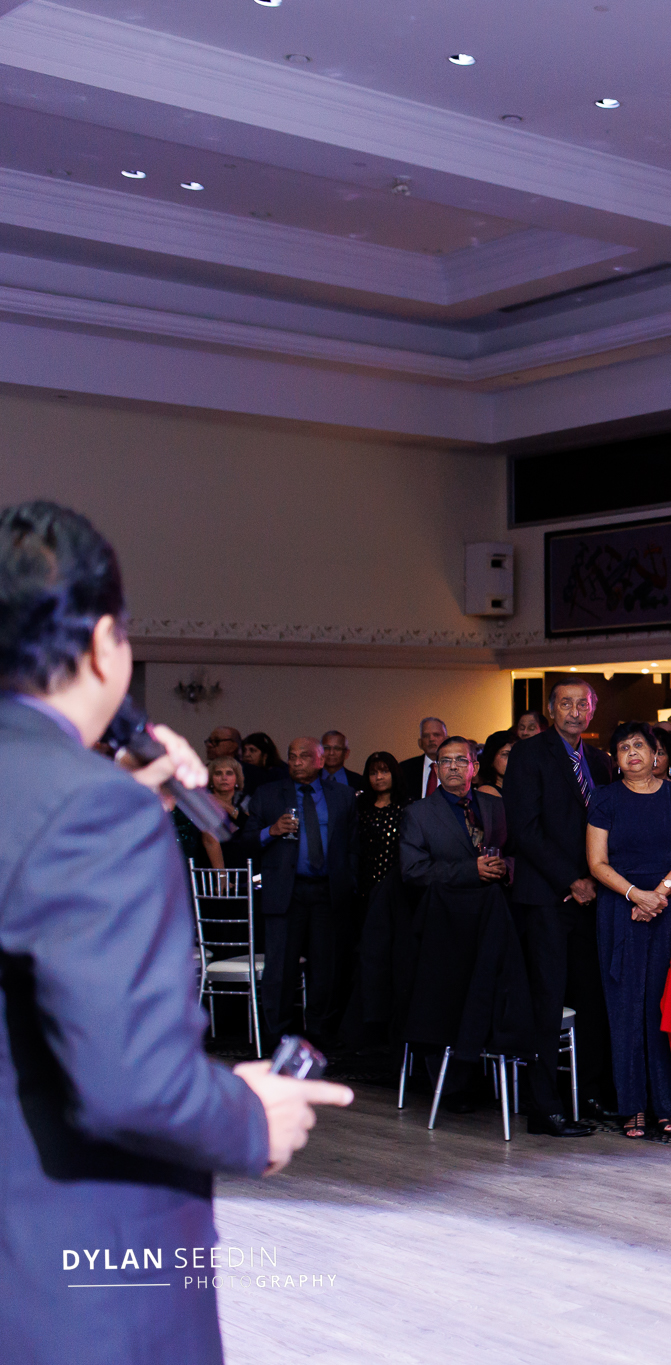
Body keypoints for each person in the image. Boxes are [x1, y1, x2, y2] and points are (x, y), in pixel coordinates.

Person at [0, 499, 350, 1365]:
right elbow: (129, 1082)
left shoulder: (76, 799)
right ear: (104, 643)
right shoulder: (91, 810)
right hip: (75, 1275)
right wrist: (250, 1116)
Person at [503, 679, 614, 1137]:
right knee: (547, 1002)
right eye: (565, 703)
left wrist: (597, 880)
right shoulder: (529, 754)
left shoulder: (600, 761)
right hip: (548, 896)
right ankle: (543, 1106)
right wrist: (571, 879)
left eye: (581, 704)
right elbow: (524, 829)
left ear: (592, 710)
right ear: (551, 710)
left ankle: (588, 1093)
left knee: (593, 999)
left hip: (595, 897)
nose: (574, 711)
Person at [586, 722, 671, 1140]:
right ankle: (631, 1105)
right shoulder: (605, 798)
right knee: (625, 1007)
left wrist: (659, 894)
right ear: (615, 759)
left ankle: (666, 1105)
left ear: (656, 754)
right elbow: (596, 862)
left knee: (664, 1005)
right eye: (623, 748)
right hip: (620, 908)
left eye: (639, 745)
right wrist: (636, 895)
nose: (632, 752)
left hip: (668, 907)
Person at [395, 734, 516, 1113]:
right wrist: (470, 870)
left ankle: (491, 1080)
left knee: (490, 997)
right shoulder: (419, 813)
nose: (452, 767)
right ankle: (449, 1087)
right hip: (444, 925)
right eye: (445, 761)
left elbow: (515, 852)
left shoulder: (494, 806)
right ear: (436, 768)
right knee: (445, 1004)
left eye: (460, 760)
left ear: (474, 767)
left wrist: (505, 868)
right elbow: (413, 870)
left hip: (492, 920)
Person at [248, 735, 360, 1047]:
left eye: (305, 756)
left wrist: (349, 880)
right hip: (286, 891)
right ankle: (277, 1036)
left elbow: (353, 844)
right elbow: (245, 840)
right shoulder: (268, 794)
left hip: (327, 892)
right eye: (292, 756)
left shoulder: (343, 796)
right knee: (280, 969)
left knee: (325, 968)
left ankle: (319, 1035)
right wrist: (271, 831)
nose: (297, 762)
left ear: (321, 760)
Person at [357, 749, 404, 891]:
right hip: (364, 880)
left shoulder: (408, 807)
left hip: (398, 882)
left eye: (384, 772)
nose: (379, 777)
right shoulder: (360, 806)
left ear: (394, 773)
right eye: (373, 773)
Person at [395, 715, 452, 804]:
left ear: (447, 740)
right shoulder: (405, 769)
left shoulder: (456, 767)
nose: (431, 739)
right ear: (420, 743)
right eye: (426, 736)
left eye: (436, 735)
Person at [475, 729, 516, 800]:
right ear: (491, 759)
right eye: (505, 754)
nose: (512, 759)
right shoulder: (487, 792)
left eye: (516, 754)